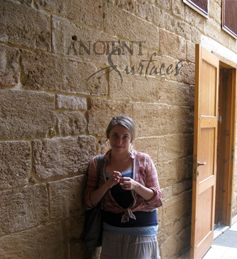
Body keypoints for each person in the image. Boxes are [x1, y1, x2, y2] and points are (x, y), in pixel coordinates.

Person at [84, 115, 162, 259]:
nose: (119, 142)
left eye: (125, 137)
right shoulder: (98, 163)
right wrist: (107, 185)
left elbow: (157, 200)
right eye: (115, 135)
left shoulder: (144, 160)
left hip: (142, 231)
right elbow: (89, 201)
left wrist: (136, 185)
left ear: (131, 138)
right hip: (112, 230)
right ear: (108, 136)